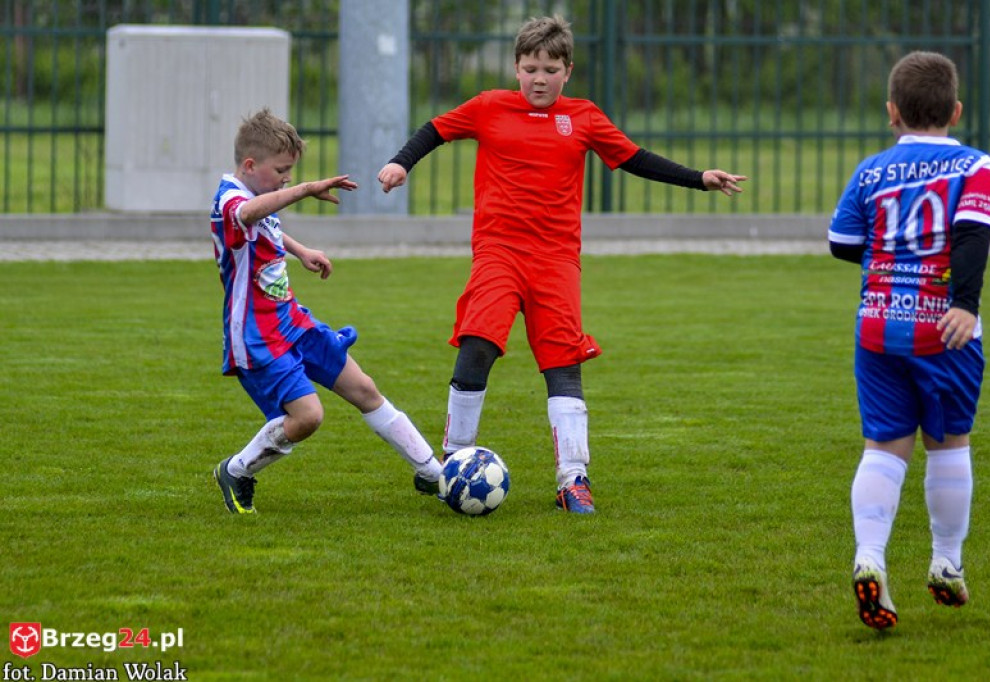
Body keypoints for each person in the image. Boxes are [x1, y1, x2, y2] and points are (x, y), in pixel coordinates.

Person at [377, 16, 746, 514]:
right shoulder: (489, 106)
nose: (539, 79)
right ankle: (453, 460)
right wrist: (402, 162)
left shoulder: (585, 117)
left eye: (550, 69)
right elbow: (435, 129)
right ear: (516, 68)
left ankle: (573, 479)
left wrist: (700, 177)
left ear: (567, 71)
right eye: (530, 68)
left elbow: (635, 158)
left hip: (555, 262)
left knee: (563, 365)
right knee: (478, 342)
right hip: (498, 253)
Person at [828, 51, 990, 629]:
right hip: (943, 329)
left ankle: (869, 558)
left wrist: (888, 255)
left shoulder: (871, 170)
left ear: (891, 112)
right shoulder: (977, 166)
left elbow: (841, 241)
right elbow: (973, 236)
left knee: (883, 448)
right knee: (949, 447)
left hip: (876, 325)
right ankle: (946, 564)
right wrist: (965, 305)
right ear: (955, 109)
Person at [211, 108, 442, 514]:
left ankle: (434, 474)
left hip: (292, 321)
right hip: (258, 336)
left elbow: (267, 225)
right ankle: (237, 469)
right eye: (281, 170)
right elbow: (249, 215)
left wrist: (300, 252)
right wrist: (303, 188)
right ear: (250, 165)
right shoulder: (229, 198)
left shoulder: (253, 194)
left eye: (289, 172)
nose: (285, 177)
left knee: (365, 388)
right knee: (308, 417)